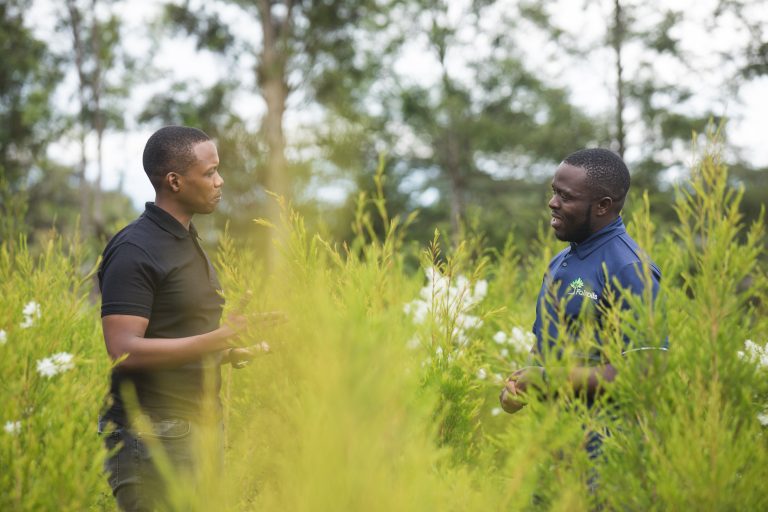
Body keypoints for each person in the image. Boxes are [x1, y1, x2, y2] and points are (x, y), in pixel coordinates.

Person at [97, 126, 272, 511]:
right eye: (209, 172)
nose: (219, 181)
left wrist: (228, 350)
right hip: (154, 436)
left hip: (199, 429)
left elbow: (175, 332)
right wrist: (219, 338)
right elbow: (123, 349)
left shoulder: (185, 239)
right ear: (175, 181)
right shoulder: (135, 249)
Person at [499, 148, 663, 412]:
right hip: (554, 442)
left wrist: (547, 379)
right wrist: (518, 389)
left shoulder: (630, 270)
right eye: (554, 191)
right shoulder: (559, 263)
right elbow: (544, 347)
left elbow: (643, 370)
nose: (553, 202)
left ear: (603, 206)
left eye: (566, 196)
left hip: (608, 444)